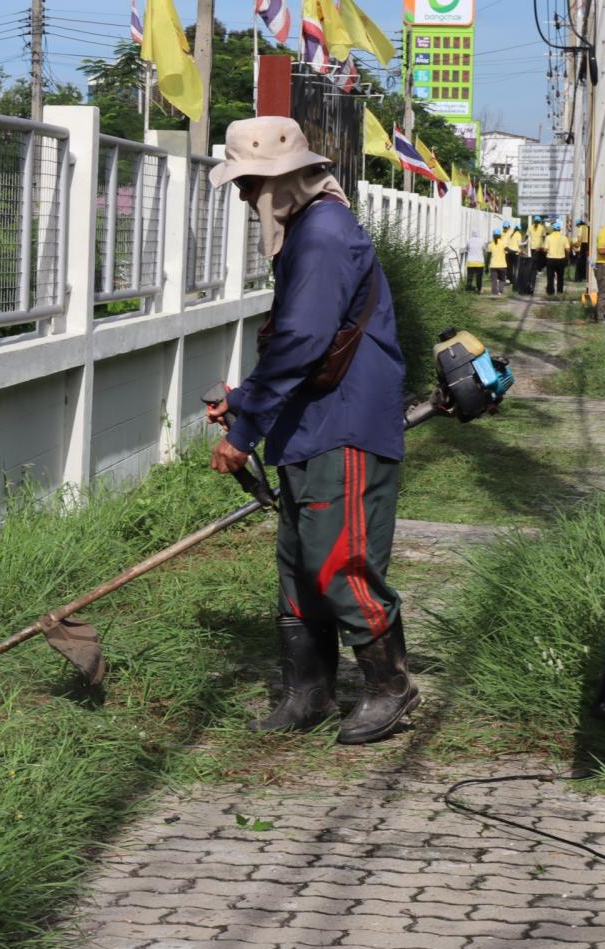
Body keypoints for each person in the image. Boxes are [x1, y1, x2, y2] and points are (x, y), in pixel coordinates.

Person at [204, 116, 415, 746]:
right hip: (310, 422)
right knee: (299, 562)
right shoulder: (309, 231)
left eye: (248, 185)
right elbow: (304, 338)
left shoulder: (322, 234)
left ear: (279, 180)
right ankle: (310, 693)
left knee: (338, 562)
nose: (244, 198)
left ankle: (389, 685)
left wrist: (242, 432)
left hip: (343, 424)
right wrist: (246, 400)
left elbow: (302, 341)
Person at [545, 220, 569, 296]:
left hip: (550, 259)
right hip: (561, 259)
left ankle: (550, 291)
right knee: (560, 277)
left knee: (550, 276)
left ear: (553, 229)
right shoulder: (564, 238)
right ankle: (560, 291)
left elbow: (545, 249)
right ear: (560, 229)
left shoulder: (548, 237)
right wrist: (566, 258)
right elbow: (568, 249)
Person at [527, 215, 546, 293]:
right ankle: (537, 270)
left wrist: (525, 244)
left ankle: (535, 270)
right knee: (539, 260)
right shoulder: (542, 227)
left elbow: (527, 236)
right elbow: (544, 236)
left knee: (534, 260)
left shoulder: (530, 227)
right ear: (539, 221)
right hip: (540, 246)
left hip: (532, 246)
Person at [488, 228, 508, 296]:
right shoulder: (503, 243)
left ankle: (494, 293)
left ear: (493, 235)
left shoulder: (490, 244)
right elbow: (507, 250)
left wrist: (486, 266)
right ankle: (500, 291)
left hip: (493, 265)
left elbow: (488, 256)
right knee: (502, 279)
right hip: (502, 265)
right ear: (500, 235)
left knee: (494, 280)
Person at [504, 220, 520, 289]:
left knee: (509, 267)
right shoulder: (518, 234)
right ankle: (515, 282)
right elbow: (519, 244)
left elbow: (506, 243)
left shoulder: (509, 233)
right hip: (515, 252)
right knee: (516, 268)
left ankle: (510, 280)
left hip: (508, 252)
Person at [574, 218, 590, 283]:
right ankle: (584, 276)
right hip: (587, 245)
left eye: (577, 225)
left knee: (579, 262)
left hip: (582, 245)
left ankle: (578, 278)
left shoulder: (580, 228)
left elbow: (579, 238)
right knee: (585, 262)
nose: (577, 227)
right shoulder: (587, 227)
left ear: (578, 224)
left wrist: (576, 245)